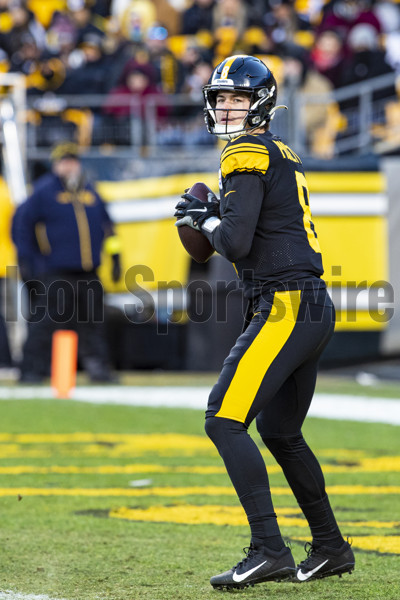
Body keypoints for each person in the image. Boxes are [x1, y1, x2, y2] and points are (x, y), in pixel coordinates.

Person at [174, 55, 355, 590]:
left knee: (222, 419)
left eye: (239, 98)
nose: (228, 107)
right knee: (280, 432)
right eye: (222, 98)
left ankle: (269, 549)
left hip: (286, 302)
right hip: (308, 303)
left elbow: (234, 242)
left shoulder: (248, 149)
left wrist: (200, 218)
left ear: (262, 104)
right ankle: (330, 547)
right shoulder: (279, 150)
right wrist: (210, 219)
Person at [12, 141, 121, 383]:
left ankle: (98, 370)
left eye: (73, 161)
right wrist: (28, 261)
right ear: (56, 164)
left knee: (93, 323)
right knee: (44, 323)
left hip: (88, 271)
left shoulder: (90, 192)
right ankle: (31, 370)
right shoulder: (44, 192)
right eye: (64, 161)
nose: (69, 165)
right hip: (56, 271)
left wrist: (115, 258)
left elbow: (108, 227)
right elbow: (21, 226)